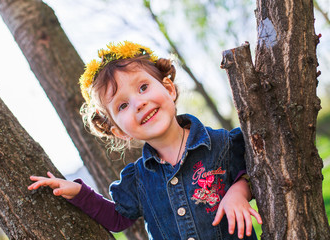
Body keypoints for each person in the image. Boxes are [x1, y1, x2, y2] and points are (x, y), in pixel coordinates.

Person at [28, 41, 262, 239]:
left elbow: (254, 173)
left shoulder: (222, 144)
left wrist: (238, 193)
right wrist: (79, 193)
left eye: (143, 87)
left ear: (168, 88)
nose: (138, 103)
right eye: (122, 105)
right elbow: (117, 218)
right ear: (120, 131)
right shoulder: (138, 179)